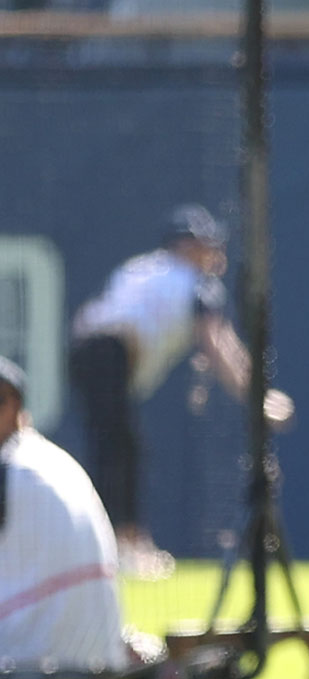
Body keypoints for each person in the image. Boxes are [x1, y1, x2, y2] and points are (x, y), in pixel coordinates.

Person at [69, 204, 294, 578]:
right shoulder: (196, 283)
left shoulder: (141, 267)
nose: (214, 252)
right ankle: (123, 549)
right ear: (186, 246)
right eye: (206, 244)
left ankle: (115, 546)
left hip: (84, 352)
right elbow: (219, 344)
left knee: (119, 449)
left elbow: (94, 316)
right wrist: (260, 401)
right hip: (108, 355)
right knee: (120, 453)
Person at [0, 356, 162, 678]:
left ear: (10, 407)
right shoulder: (54, 460)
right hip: (98, 654)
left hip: (27, 656)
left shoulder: (11, 467)